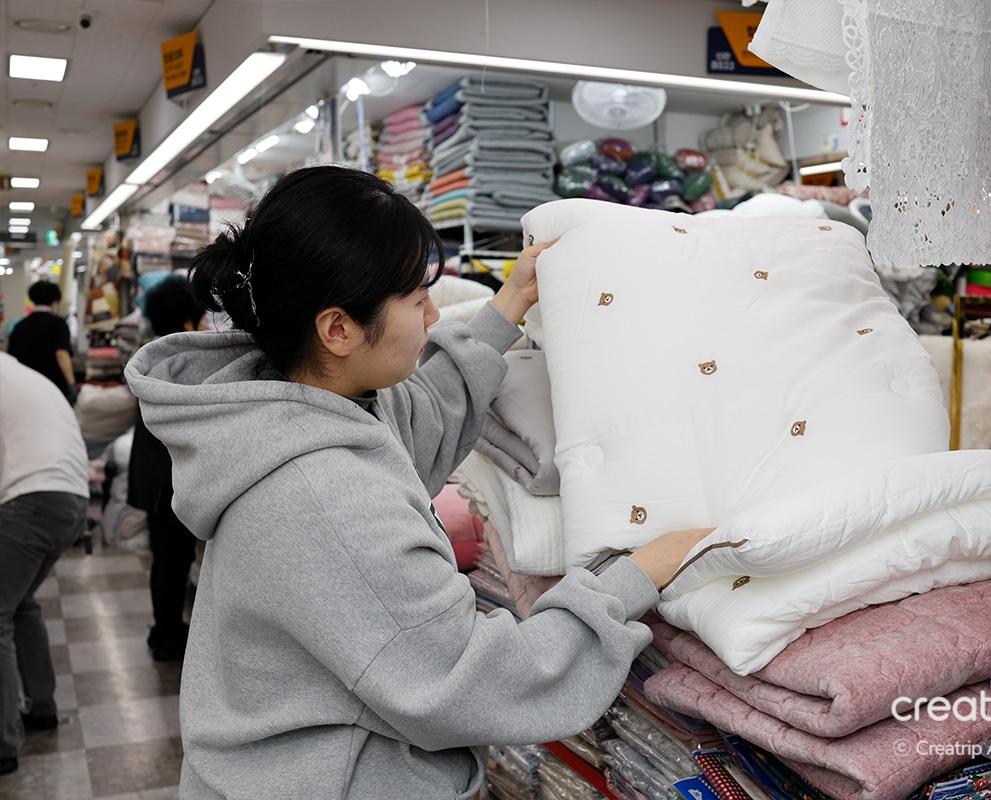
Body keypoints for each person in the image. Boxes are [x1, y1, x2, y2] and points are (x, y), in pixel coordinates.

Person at [125, 166, 712, 798]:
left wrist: (510, 303)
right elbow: (470, 681)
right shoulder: (325, 496)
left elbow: (419, 420)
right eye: (414, 299)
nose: (433, 313)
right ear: (338, 329)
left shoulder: (300, 405)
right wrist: (634, 576)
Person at [0, 352, 90, 777]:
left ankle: (2, 743)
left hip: (33, 497)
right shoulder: (21, 374)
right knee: (19, 603)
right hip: (70, 498)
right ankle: (40, 706)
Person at [128, 276, 207, 662]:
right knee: (174, 561)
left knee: (167, 560)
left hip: (157, 481)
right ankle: (168, 635)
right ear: (187, 320)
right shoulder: (183, 362)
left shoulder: (152, 357)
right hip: (171, 483)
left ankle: (165, 629)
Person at [6, 281, 76, 401]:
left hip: (25, 387)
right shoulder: (58, 324)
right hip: (53, 386)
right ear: (55, 301)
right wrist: (71, 383)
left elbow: (11, 359)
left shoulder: (19, 326)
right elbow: (61, 354)